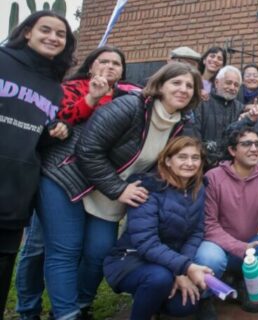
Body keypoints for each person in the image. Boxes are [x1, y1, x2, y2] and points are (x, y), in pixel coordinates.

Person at [37, 62, 201, 320]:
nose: (183, 89)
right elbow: (88, 149)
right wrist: (118, 189)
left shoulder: (180, 125)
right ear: (160, 85)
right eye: (176, 82)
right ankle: (66, 314)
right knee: (66, 251)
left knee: (98, 251)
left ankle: (82, 305)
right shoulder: (130, 106)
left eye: (189, 85)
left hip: (109, 190)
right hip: (68, 177)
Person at [18, 45, 139, 320]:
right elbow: (60, 121)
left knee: (92, 248)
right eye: (103, 61)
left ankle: (77, 304)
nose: (109, 67)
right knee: (41, 248)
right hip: (61, 175)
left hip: (97, 182)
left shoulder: (126, 96)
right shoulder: (72, 88)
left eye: (116, 63)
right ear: (91, 65)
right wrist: (92, 98)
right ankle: (32, 309)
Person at [0, 11, 75, 313]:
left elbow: (33, 134)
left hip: (16, 191)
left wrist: (56, 131)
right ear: (28, 32)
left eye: (61, 34)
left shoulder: (54, 86)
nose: (53, 38)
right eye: (46, 30)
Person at [193, 127, 258, 316]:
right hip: (218, 243)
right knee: (209, 259)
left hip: (251, 240)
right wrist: (241, 248)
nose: (254, 149)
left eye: (257, 144)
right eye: (246, 144)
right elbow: (209, 226)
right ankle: (206, 297)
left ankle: (245, 283)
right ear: (232, 150)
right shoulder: (213, 177)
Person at [103, 137, 213, 320]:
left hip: (169, 262)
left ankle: (151, 301)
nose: (189, 163)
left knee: (187, 304)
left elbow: (196, 232)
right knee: (159, 279)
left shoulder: (198, 189)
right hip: (132, 259)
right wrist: (184, 268)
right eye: (182, 157)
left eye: (195, 158)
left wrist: (181, 270)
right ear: (168, 160)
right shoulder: (148, 188)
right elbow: (146, 242)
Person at [193, 65, 244, 168]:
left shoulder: (240, 109)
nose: (232, 87)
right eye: (228, 83)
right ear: (217, 82)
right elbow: (194, 135)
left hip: (230, 167)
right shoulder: (202, 103)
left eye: (236, 85)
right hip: (201, 164)